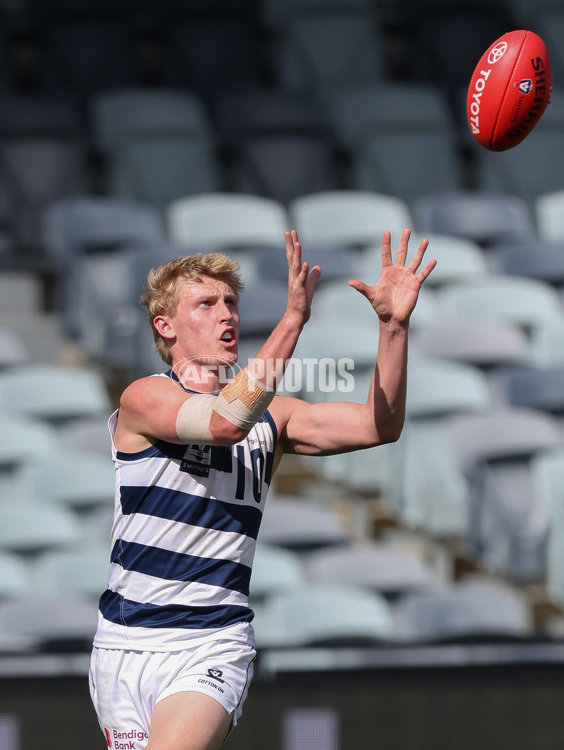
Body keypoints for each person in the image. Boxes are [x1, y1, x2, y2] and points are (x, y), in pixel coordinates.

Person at [89, 227, 436, 750]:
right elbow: (226, 421)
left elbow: (377, 426)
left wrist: (392, 328)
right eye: (206, 303)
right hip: (123, 641)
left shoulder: (274, 415)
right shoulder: (146, 397)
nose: (226, 313)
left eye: (230, 301)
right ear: (165, 326)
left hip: (211, 642)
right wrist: (293, 319)